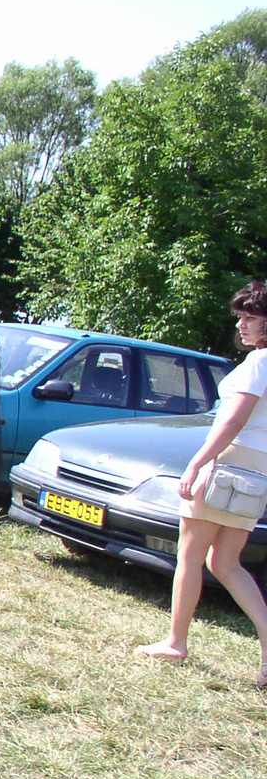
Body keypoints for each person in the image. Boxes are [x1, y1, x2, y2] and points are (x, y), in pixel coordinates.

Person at [139, 280, 267, 683]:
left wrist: (197, 463)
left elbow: (233, 419)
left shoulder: (260, 363)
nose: (242, 325)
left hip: (229, 462)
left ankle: (175, 642)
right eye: (241, 318)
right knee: (226, 562)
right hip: (259, 470)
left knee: (191, 556)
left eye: (251, 318)